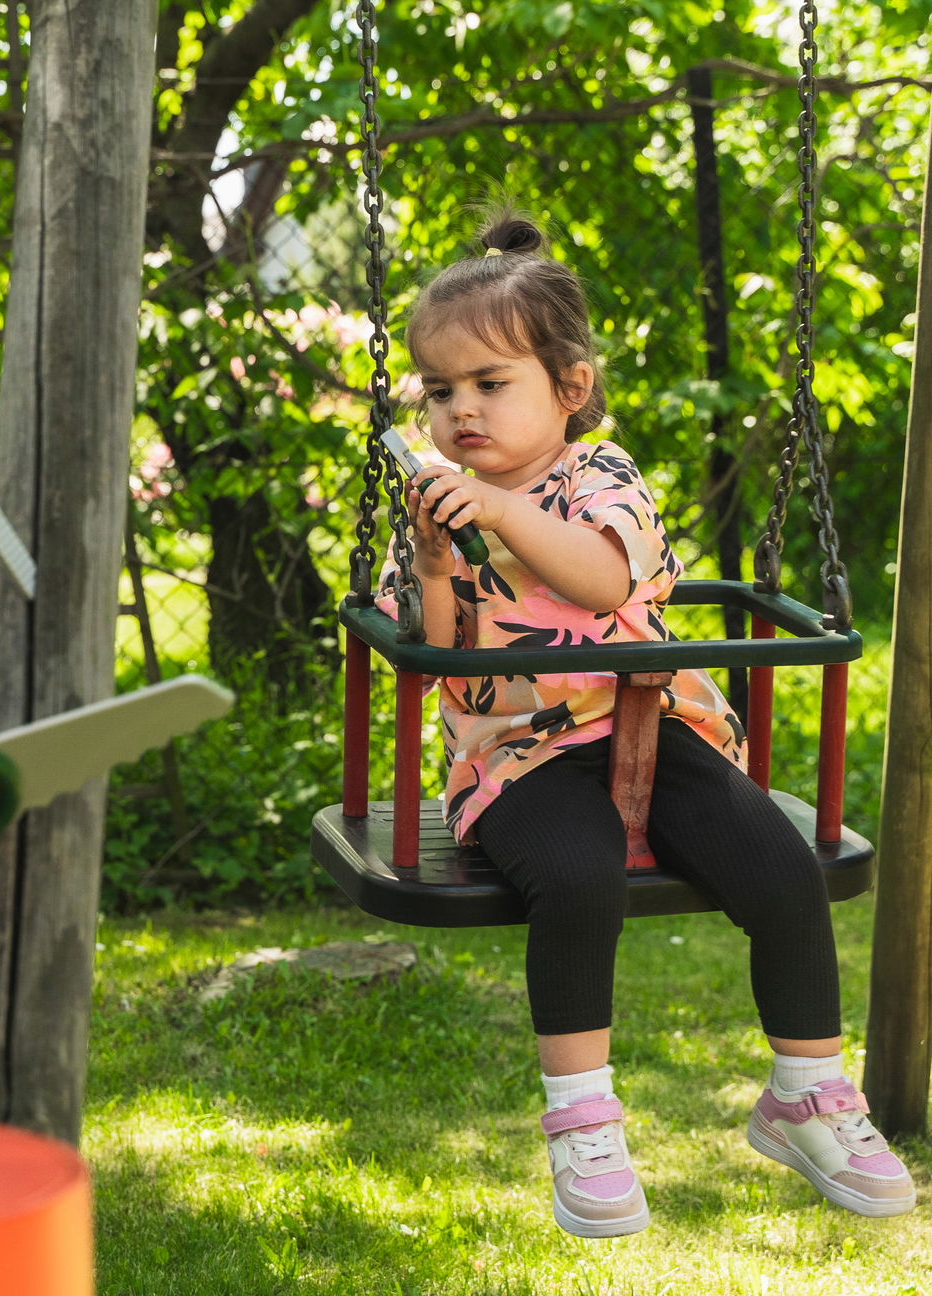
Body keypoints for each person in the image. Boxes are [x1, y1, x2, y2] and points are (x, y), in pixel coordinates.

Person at [380, 206, 914, 1237]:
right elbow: (439, 649)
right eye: (440, 392)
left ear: (569, 390)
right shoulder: (441, 508)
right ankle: (582, 1118)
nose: (460, 412)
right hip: (518, 755)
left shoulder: (598, 475)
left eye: (490, 385)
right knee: (577, 881)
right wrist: (437, 560)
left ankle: (803, 1091)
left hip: (649, 725)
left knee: (780, 868)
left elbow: (600, 580)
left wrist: (496, 514)